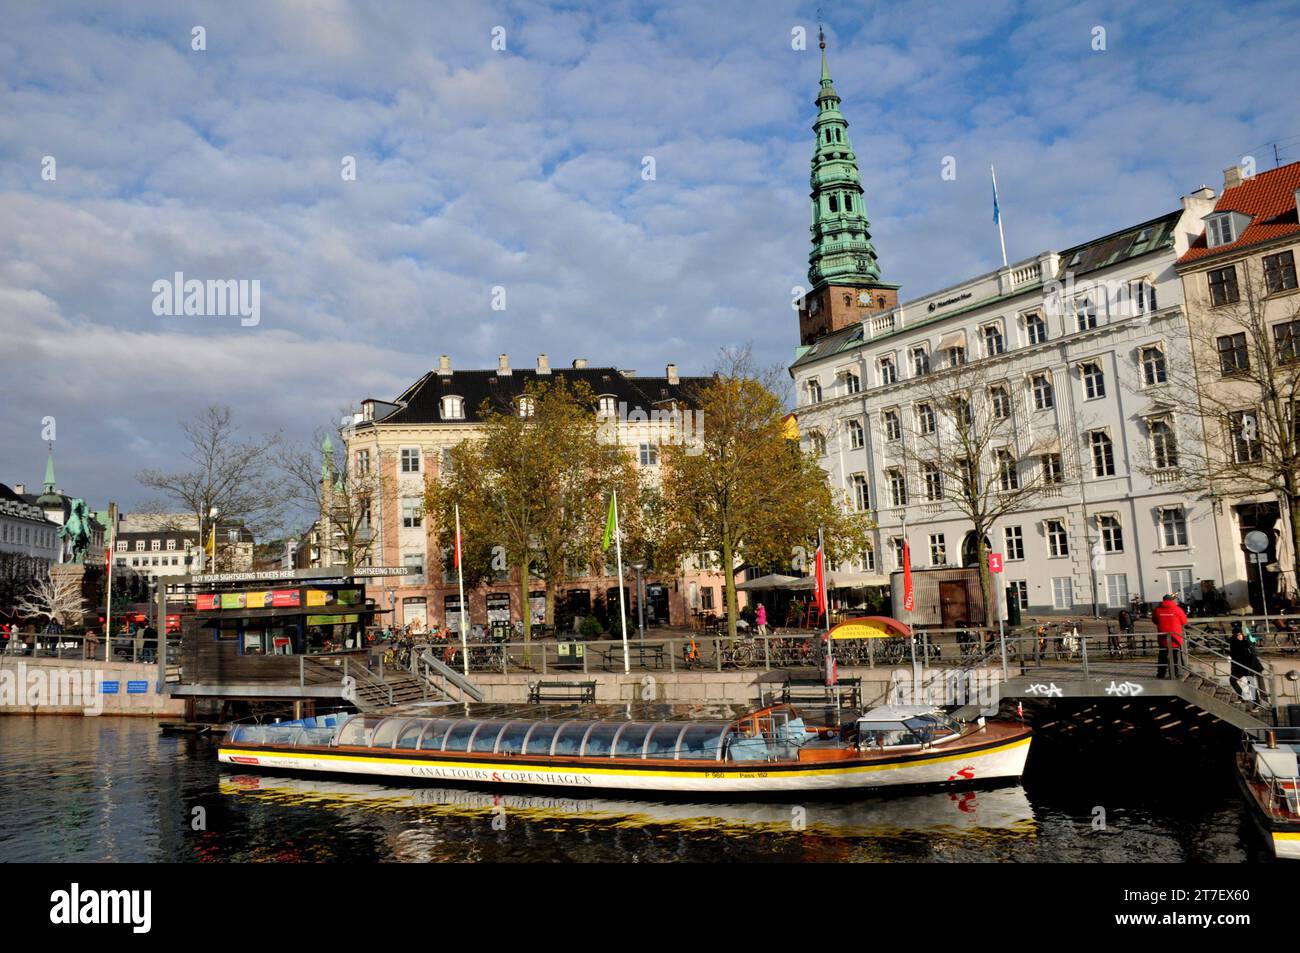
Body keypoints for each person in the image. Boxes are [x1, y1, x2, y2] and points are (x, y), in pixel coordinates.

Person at [1152, 594, 1188, 679]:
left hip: (1163, 637)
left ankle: (1161, 674)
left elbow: (1154, 620)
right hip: (1175, 637)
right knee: (1175, 656)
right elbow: (1184, 621)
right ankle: (1175, 673)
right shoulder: (1178, 609)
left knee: (1162, 656)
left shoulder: (1157, 610)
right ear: (1172, 600)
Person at [1229, 621, 1263, 700]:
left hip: (1251, 665)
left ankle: (1257, 703)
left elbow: (1254, 655)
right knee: (1232, 680)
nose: (1239, 636)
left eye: (1240, 634)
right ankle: (1242, 696)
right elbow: (1234, 656)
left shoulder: (1247, 643)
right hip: (1241, 666)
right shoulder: (1234, 643)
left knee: (1250, 682)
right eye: (1237, 635)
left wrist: (1249, 670)